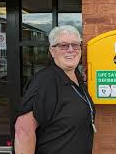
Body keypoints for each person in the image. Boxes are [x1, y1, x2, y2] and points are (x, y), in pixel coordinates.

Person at [14, 25, 96, 154]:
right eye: (63, 45)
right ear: (52, 51)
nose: (71, 50)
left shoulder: (76, 76)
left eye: (75, 45)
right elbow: (23, 130)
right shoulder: (44, 82)